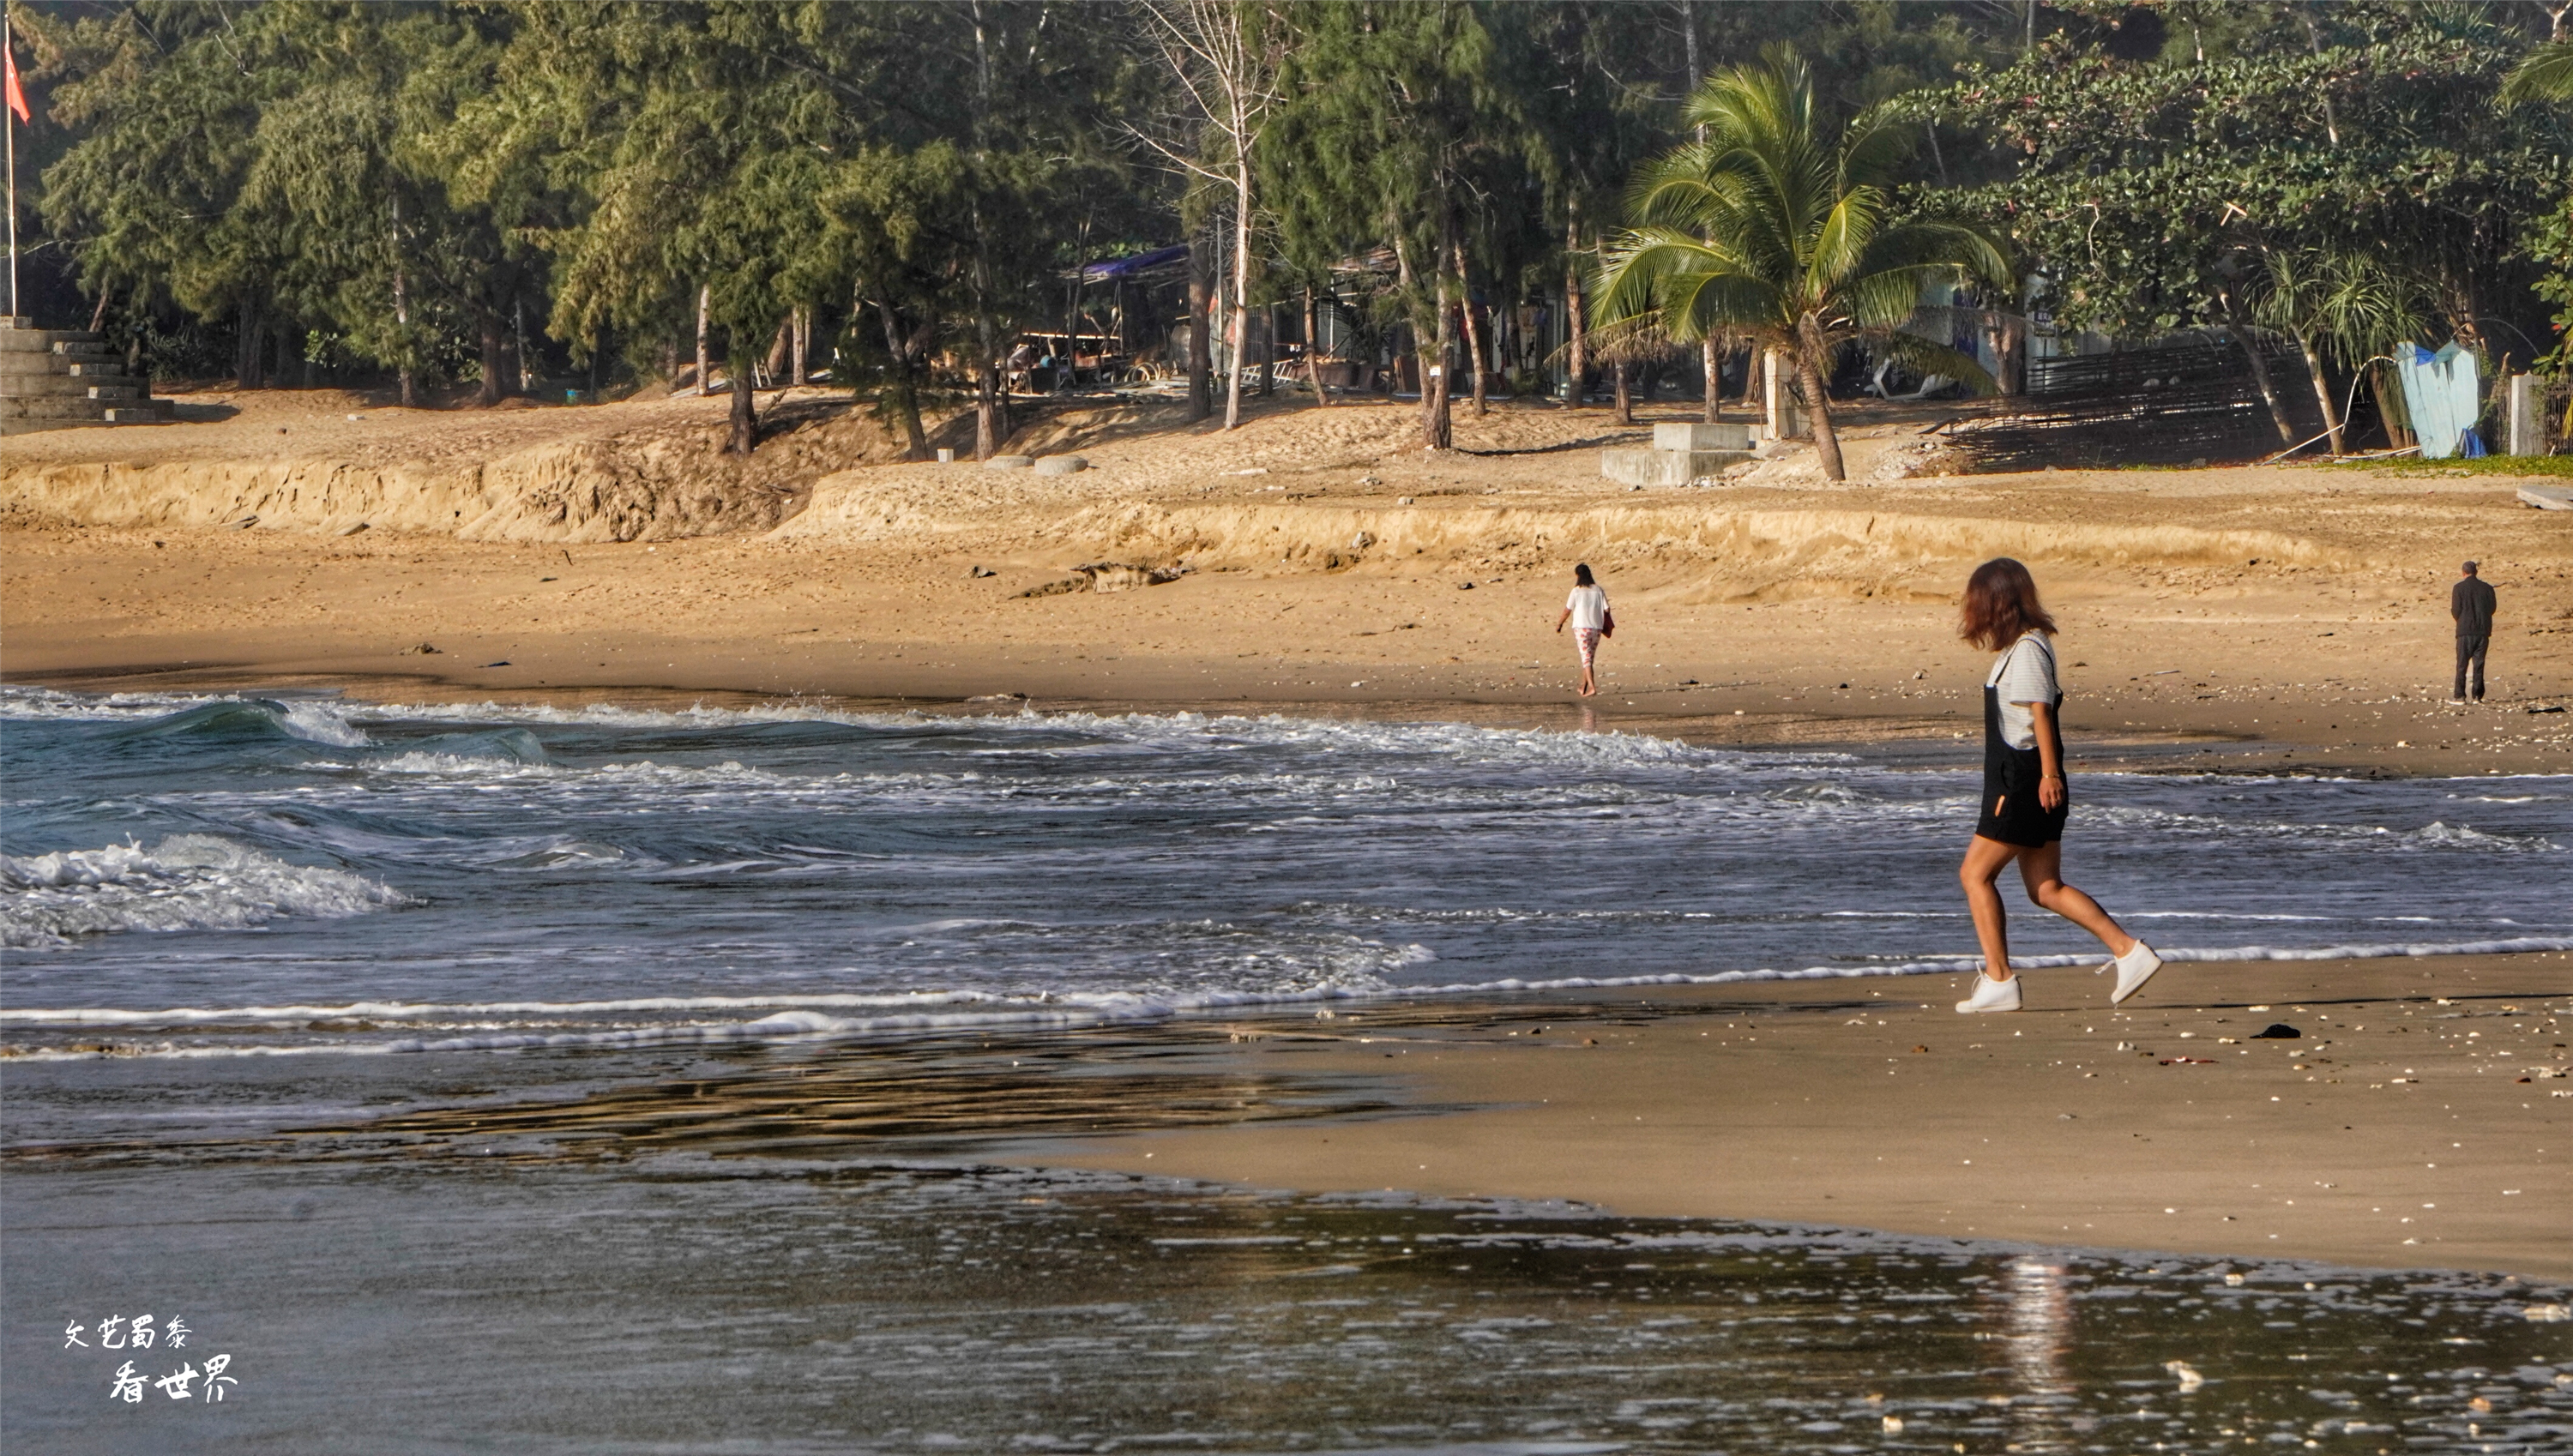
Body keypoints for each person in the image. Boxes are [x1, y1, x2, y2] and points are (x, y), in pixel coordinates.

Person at [1953, 557, 2162, 1014]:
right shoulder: (2023, 648)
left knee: (1975, 874)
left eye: (1975, 601)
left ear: (1996, 603)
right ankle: (2129, 951)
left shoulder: (2028, 650)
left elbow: (2039, 714)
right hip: (2029, 780)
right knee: (2045, 888)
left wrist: (2048, 775)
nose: (1970, 610)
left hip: (2023, 782)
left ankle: (1999, 979)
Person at [1555, 563, 1612, 698]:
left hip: (1581, 627)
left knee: (1586, 658)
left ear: (1578, 576)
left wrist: (1559, 624)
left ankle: (1592, 687)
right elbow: (1607, 609)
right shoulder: (1598, 590)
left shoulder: (1576, 591)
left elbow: (1567, 610)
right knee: (1588, 658)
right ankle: (1583, 687)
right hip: (1597, 627)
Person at [2451, 560, 2496, 704]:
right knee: (2479, 664)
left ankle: (2460, 696)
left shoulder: (2458, 588)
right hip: (2482, 630)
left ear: (2463, 573)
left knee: (2462, 664)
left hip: (2465, 630)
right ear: (2476, 572)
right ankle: (2477, 696)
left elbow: (2456, 610)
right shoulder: (2488, 588)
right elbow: (2492, 609)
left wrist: (2462, 620)